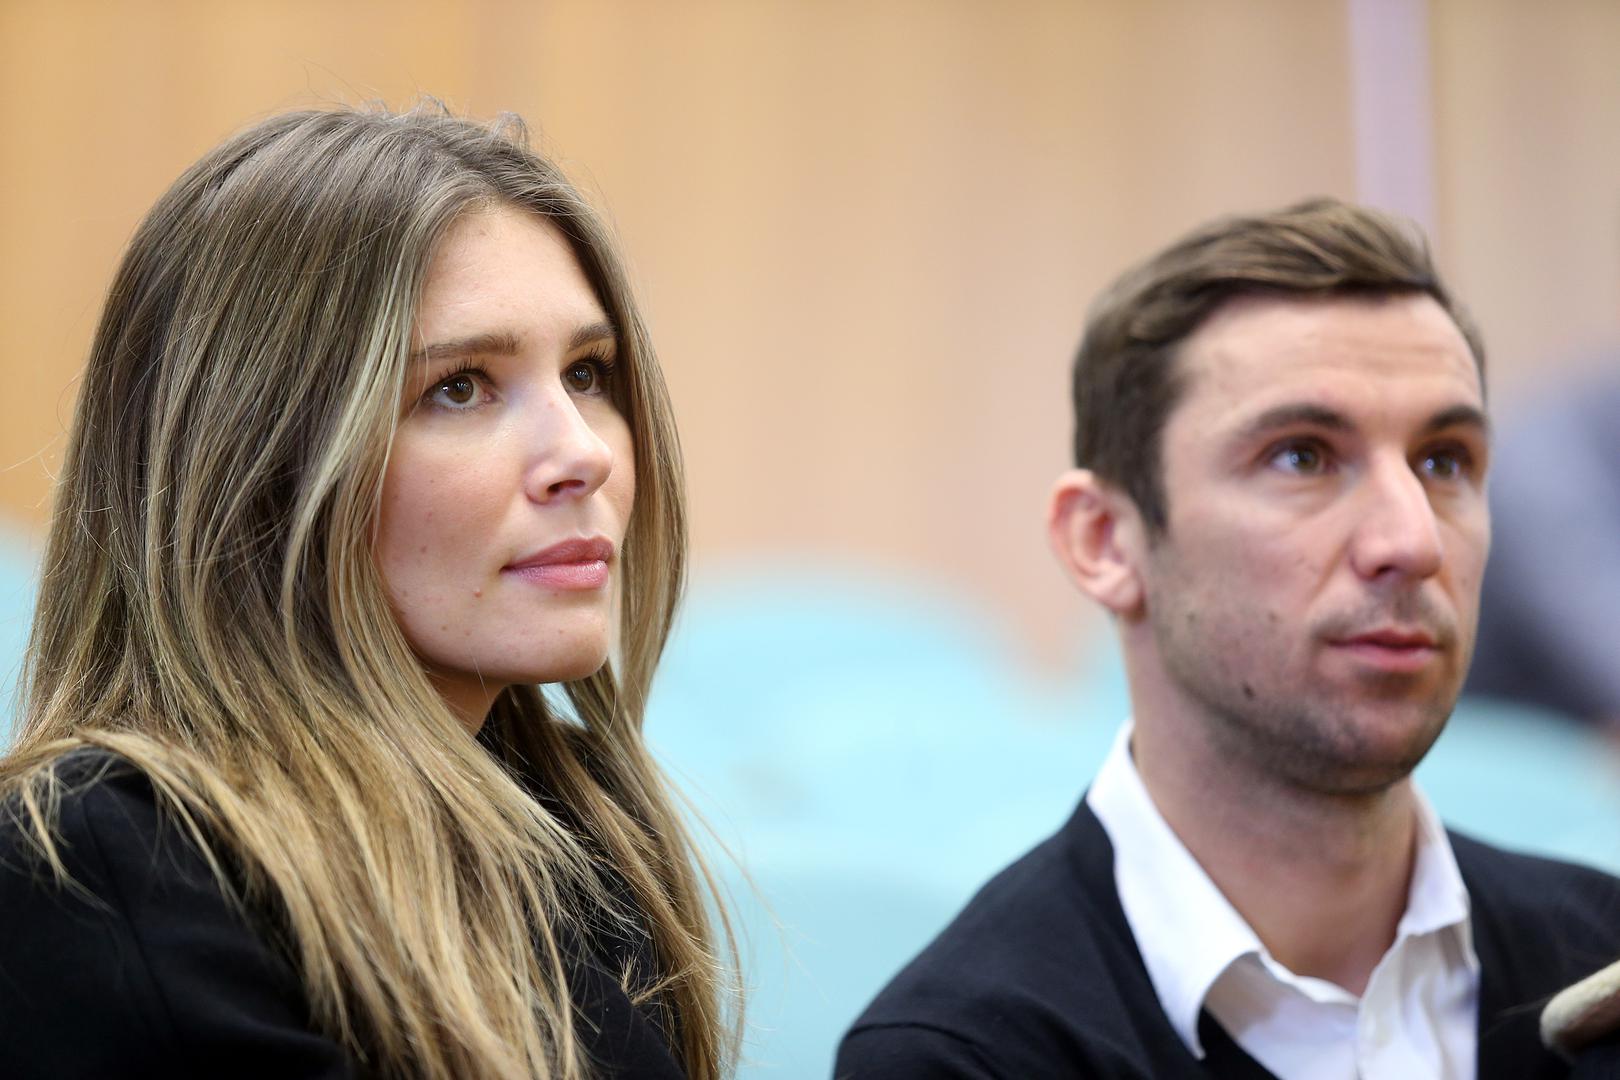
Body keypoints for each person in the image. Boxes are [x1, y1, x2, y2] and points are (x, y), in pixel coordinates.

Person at [0, 104, 736, 1079]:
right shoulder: (112, 866)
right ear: (256, 465)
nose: (584, 454)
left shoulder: (580, 828)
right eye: (460, 386)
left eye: (588, 373)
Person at [835, 199, 1620, 1079]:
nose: (1413, 541)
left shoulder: (1604, 966)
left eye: (1444, 461)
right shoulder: (963, 1056)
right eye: (1302, 456)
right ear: (1105, 541)